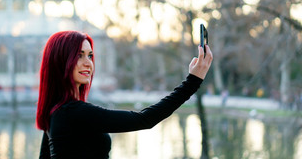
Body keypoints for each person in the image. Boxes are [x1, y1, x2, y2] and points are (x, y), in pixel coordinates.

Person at [36, 31, 213, 159]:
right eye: (79, 55)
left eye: (90, 56)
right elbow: (144, 119)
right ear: (60, 61)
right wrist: (193, 81)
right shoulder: (73, 112)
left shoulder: (55, 111)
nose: (88, 63)